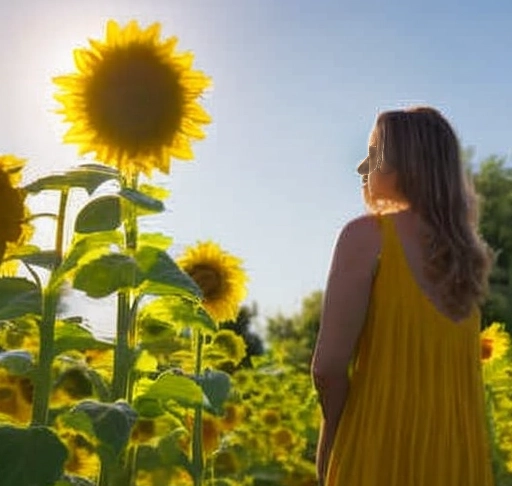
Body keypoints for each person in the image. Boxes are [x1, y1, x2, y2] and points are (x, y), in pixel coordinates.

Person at [311, 106, 495, 485]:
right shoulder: (467, 260)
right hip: (458, 462)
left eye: (374, 152)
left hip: (380, 452)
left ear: (407, 163)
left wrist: (334, 438)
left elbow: (327, 369)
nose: (363, 167)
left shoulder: (366, 238)